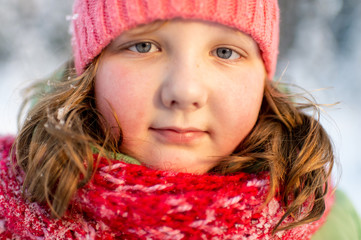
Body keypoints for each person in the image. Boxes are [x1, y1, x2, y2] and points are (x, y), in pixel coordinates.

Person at [0, 0, 360, 239]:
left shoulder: (324, 223)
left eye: (225, 52)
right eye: (144, 46)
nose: (185, 91)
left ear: (262, 82)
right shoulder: (12, 204)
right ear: (91, 70)